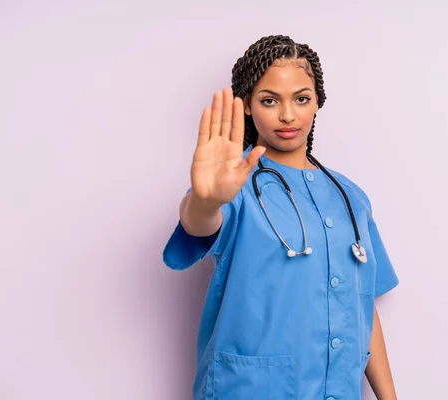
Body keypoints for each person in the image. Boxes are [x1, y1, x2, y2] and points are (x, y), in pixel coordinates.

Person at [163, 34, 400, 400]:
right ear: (246, 106)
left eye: (301, 99)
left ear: (317, 102)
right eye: (270, 101)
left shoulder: (350, 197)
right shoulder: (235, 186)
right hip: (248, 390)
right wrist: (206, 201)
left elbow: (361, 305)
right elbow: (199, 222)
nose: (288, 115)